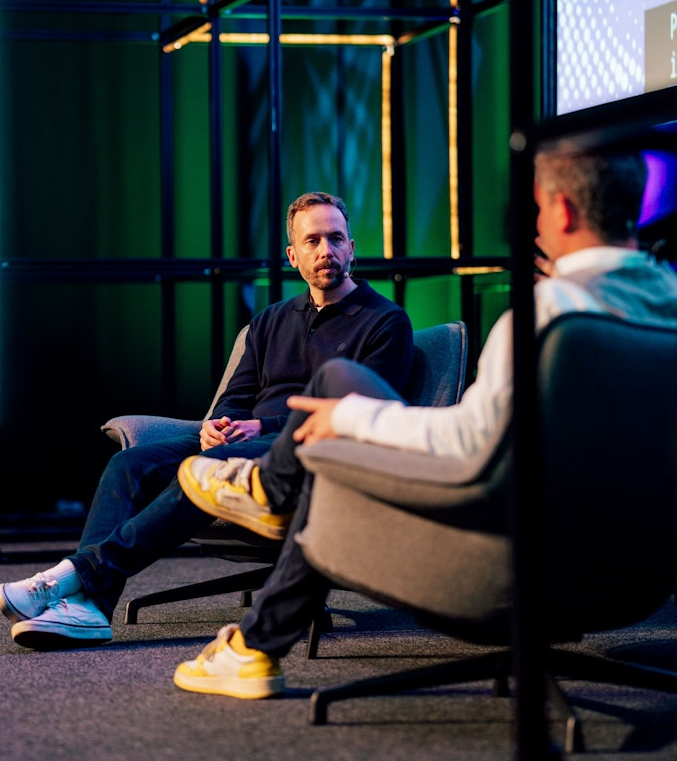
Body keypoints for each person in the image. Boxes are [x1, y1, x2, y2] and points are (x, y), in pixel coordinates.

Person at [174, 144, 677, 699]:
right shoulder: (664, 301)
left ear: (560, 210)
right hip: (641, 568)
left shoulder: (549, 315)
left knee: (333, 455)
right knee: (340, 378)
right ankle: (268, 508)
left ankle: (255, 631)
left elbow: (467, 445)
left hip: (509, 558)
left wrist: (353, 420)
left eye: (535, 210)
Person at [0, 191, 414, 649]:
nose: (325, 250)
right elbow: (236, 395)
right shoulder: (270, 321)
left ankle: (76, 577)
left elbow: (356, 411)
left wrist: (263, 428)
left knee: (207, 467)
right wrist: (220, 423)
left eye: (336, 238)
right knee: (128, 465)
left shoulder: (385, 322)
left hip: (306, 451)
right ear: (293, 255)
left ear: (352, 247)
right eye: (312, 241)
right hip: (240, 443)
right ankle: (91, 607)